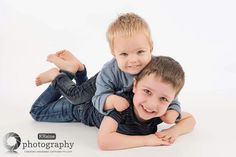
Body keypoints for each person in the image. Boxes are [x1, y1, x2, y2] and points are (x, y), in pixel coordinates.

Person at [30, 55, 196, 150]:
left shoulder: (163, 112)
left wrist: (175, 131)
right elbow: (104, 141)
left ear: (171, 99)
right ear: (135, 86)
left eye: (163, 99)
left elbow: (190, 119)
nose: (152, 104)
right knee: (37, 111)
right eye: (147, 92)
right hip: (80, 109)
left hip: (97, 95)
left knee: (81, 91)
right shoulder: (123, 106)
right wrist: (148, 140)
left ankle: (79, 70)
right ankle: (59, 76)